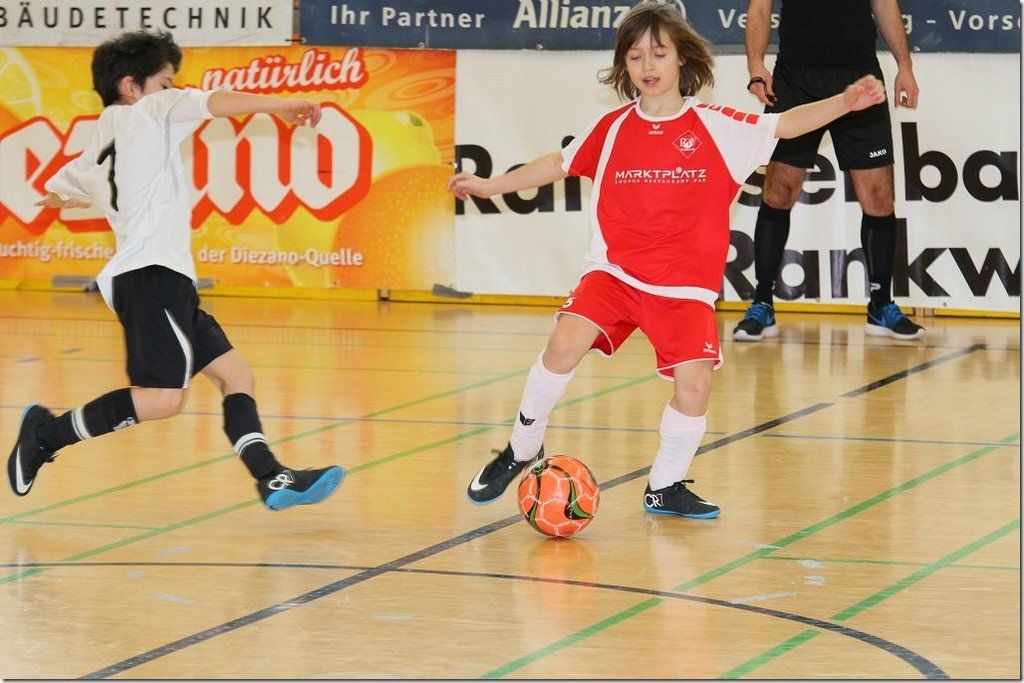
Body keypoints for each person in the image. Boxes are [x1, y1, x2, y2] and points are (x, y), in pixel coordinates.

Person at [448, 3, 889, 518]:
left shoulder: (716, 126)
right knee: (564, 343)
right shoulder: (611, 127)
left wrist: (845, 101)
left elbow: (787, 124)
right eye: (635, 56)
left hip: (684, 289)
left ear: (682, 59)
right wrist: (490, 185)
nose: (647, 65)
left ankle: (665, 485)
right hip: (614, 274)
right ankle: (521, 449)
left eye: (659, 53)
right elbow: (558, 163)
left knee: (695, 385)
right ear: (624, 65)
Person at [6, 31, 344, 511]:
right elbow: (214, 101)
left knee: (236, 376)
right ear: (131, 86)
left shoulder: (98, 143)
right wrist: (284, 105)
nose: (173, 91)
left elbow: (57, 192)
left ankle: (272, 478)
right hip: (152, 278)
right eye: (165, 83)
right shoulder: (150, 111)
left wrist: (77, 198)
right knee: (164, 400)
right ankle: (44, 437)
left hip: (163, 280)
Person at [733, 0, 924, 341]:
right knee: (778, 191)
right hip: (796, 78)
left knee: (879, 197)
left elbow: (884, 4)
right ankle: (762, 302)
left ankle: (881, 305)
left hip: (860, 76)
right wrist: (755, 65)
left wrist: (904, 66)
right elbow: (760, 7)